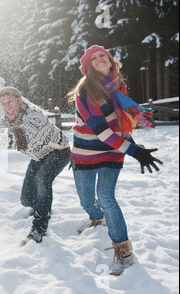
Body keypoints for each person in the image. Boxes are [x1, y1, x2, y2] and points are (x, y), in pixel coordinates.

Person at [67, 45, 163, 276]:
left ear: (110, 61)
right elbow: (101, 131)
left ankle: (124, 254)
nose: (100, 58)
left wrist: (132, 145)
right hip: (86, 150)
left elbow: (121, 122)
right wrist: (135, 151)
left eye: (103, 55)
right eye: (94, 58)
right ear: (88, 67)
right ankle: (96, 218)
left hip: (113, 149)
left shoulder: (117, 86)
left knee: (107, 197)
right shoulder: (85, 91)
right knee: (87, 200)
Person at [0, 87, 71, 244]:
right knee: (26, 199)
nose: (7, 106)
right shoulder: (3, 122)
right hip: (38, 157)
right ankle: (40, 206)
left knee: (43, 180)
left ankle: (39, 229)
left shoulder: (34, 115)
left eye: (10, 101)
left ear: (20, 101)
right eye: (3, 103)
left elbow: (19, 139)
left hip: (59, 152)